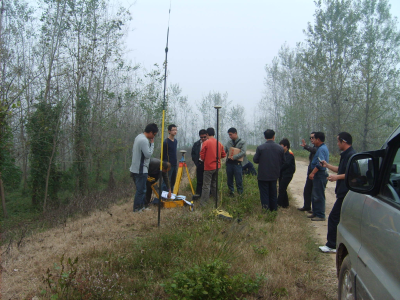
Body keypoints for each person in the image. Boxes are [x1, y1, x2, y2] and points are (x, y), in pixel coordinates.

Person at [319, 132, 356, 253]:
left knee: (333, 218)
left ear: (343, 142)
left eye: (338, 141)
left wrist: (337, 177)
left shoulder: (351, 155)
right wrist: (327, 165)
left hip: (346, 192)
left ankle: (332, 245)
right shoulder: (346, 155)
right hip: (342, 192)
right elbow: (341, 170)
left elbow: (353, 174)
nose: (337, 143)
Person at [253, 129, 285, 211]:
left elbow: (255, 160)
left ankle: (266, 210)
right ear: (274, 136)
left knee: (264, 194)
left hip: (263, 175)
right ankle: (274, 210)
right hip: (274, 174)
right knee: (273, 193)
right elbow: (283, 161)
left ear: (264, 137)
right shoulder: (280, 148)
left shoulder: (260, 148)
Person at [129, 123, 158, 212]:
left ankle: (142, 207)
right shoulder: (144, 140)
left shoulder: (138, 137)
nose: (153, 137)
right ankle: (137, 209)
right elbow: (148, 154)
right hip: (140, 170)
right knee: (141, 190)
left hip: (135, 168)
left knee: (142, 190)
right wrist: (152, 144)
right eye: (154, 135)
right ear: (150, 132)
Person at [199, 127, 226, 206]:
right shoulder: (219, 143)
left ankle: (203, 204)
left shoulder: (206, 143)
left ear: (207, 134)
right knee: (214, 183)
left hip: (208, 167)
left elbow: (202, 156)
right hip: (217, 167)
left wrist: (207, 159)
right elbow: (223, 154)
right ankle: (216, 199)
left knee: (206, 185)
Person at [308, 132, 329, 221]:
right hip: (318, 175)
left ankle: (320, 215)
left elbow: (320, 163)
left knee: (319, 194)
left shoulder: (321, 149)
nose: (313, 140)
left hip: (320, 174)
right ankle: (315, 212)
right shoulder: (320, 148)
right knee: (315, 194)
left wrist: (313, 173)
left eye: (314, 139)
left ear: (318, 140)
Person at [224, 127, 248, 196]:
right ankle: (231, 192)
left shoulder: (242, 142)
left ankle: (240, 194)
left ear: (235, 133)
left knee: (239, 180)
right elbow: (224, 150)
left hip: (238, 164)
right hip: (229, 164)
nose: (230, 136)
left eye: (231, 134)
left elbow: (243, 152)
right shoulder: (229, 142)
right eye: (229, 135)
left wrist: (234, 157)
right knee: (229, 180)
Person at [297, 132, 317, 212]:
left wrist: (306, 146)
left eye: (313, 137)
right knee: (307, 189)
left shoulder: (319, 148)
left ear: (317, 139)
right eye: (310, 138)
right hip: (311, 170)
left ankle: (316, 209)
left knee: (315, 191)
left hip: (315, 172)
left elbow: (313, 150)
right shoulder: (314, 147)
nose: (311, 139)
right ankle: (307, 206)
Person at [277, 138, 296, 208]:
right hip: (282, 174)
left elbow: (286, 164)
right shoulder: (282, 154)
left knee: (281, 188)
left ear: (286, 146)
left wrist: (278, 168)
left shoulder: (290, 154)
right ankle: (285, 204)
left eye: (281, 146)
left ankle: (278, 203)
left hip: (287, 174)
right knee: (283, 188)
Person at [191, 129, 208, 196]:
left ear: (207, 135)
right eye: (201, 137)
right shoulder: (196, 144)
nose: (203, 138)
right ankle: (198, 194)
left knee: (207, 181)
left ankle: (207, 194)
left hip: (208, 165)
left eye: (204, 137)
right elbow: (193, 154)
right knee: (199, 180)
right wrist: (196, 163)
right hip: (200, 164)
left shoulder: (209, 143)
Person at [162, 124, 178, 191]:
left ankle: (170, 195)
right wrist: (165, 164)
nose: (175, 131)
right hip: (168, 164)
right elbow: (163, 154)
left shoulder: (175, 141)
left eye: (176, 130)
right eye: (173, 130)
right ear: (169, 131)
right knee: (166, 181)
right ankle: (163, 196)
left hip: (174, 164)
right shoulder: (166, 142)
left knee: (173, 181)